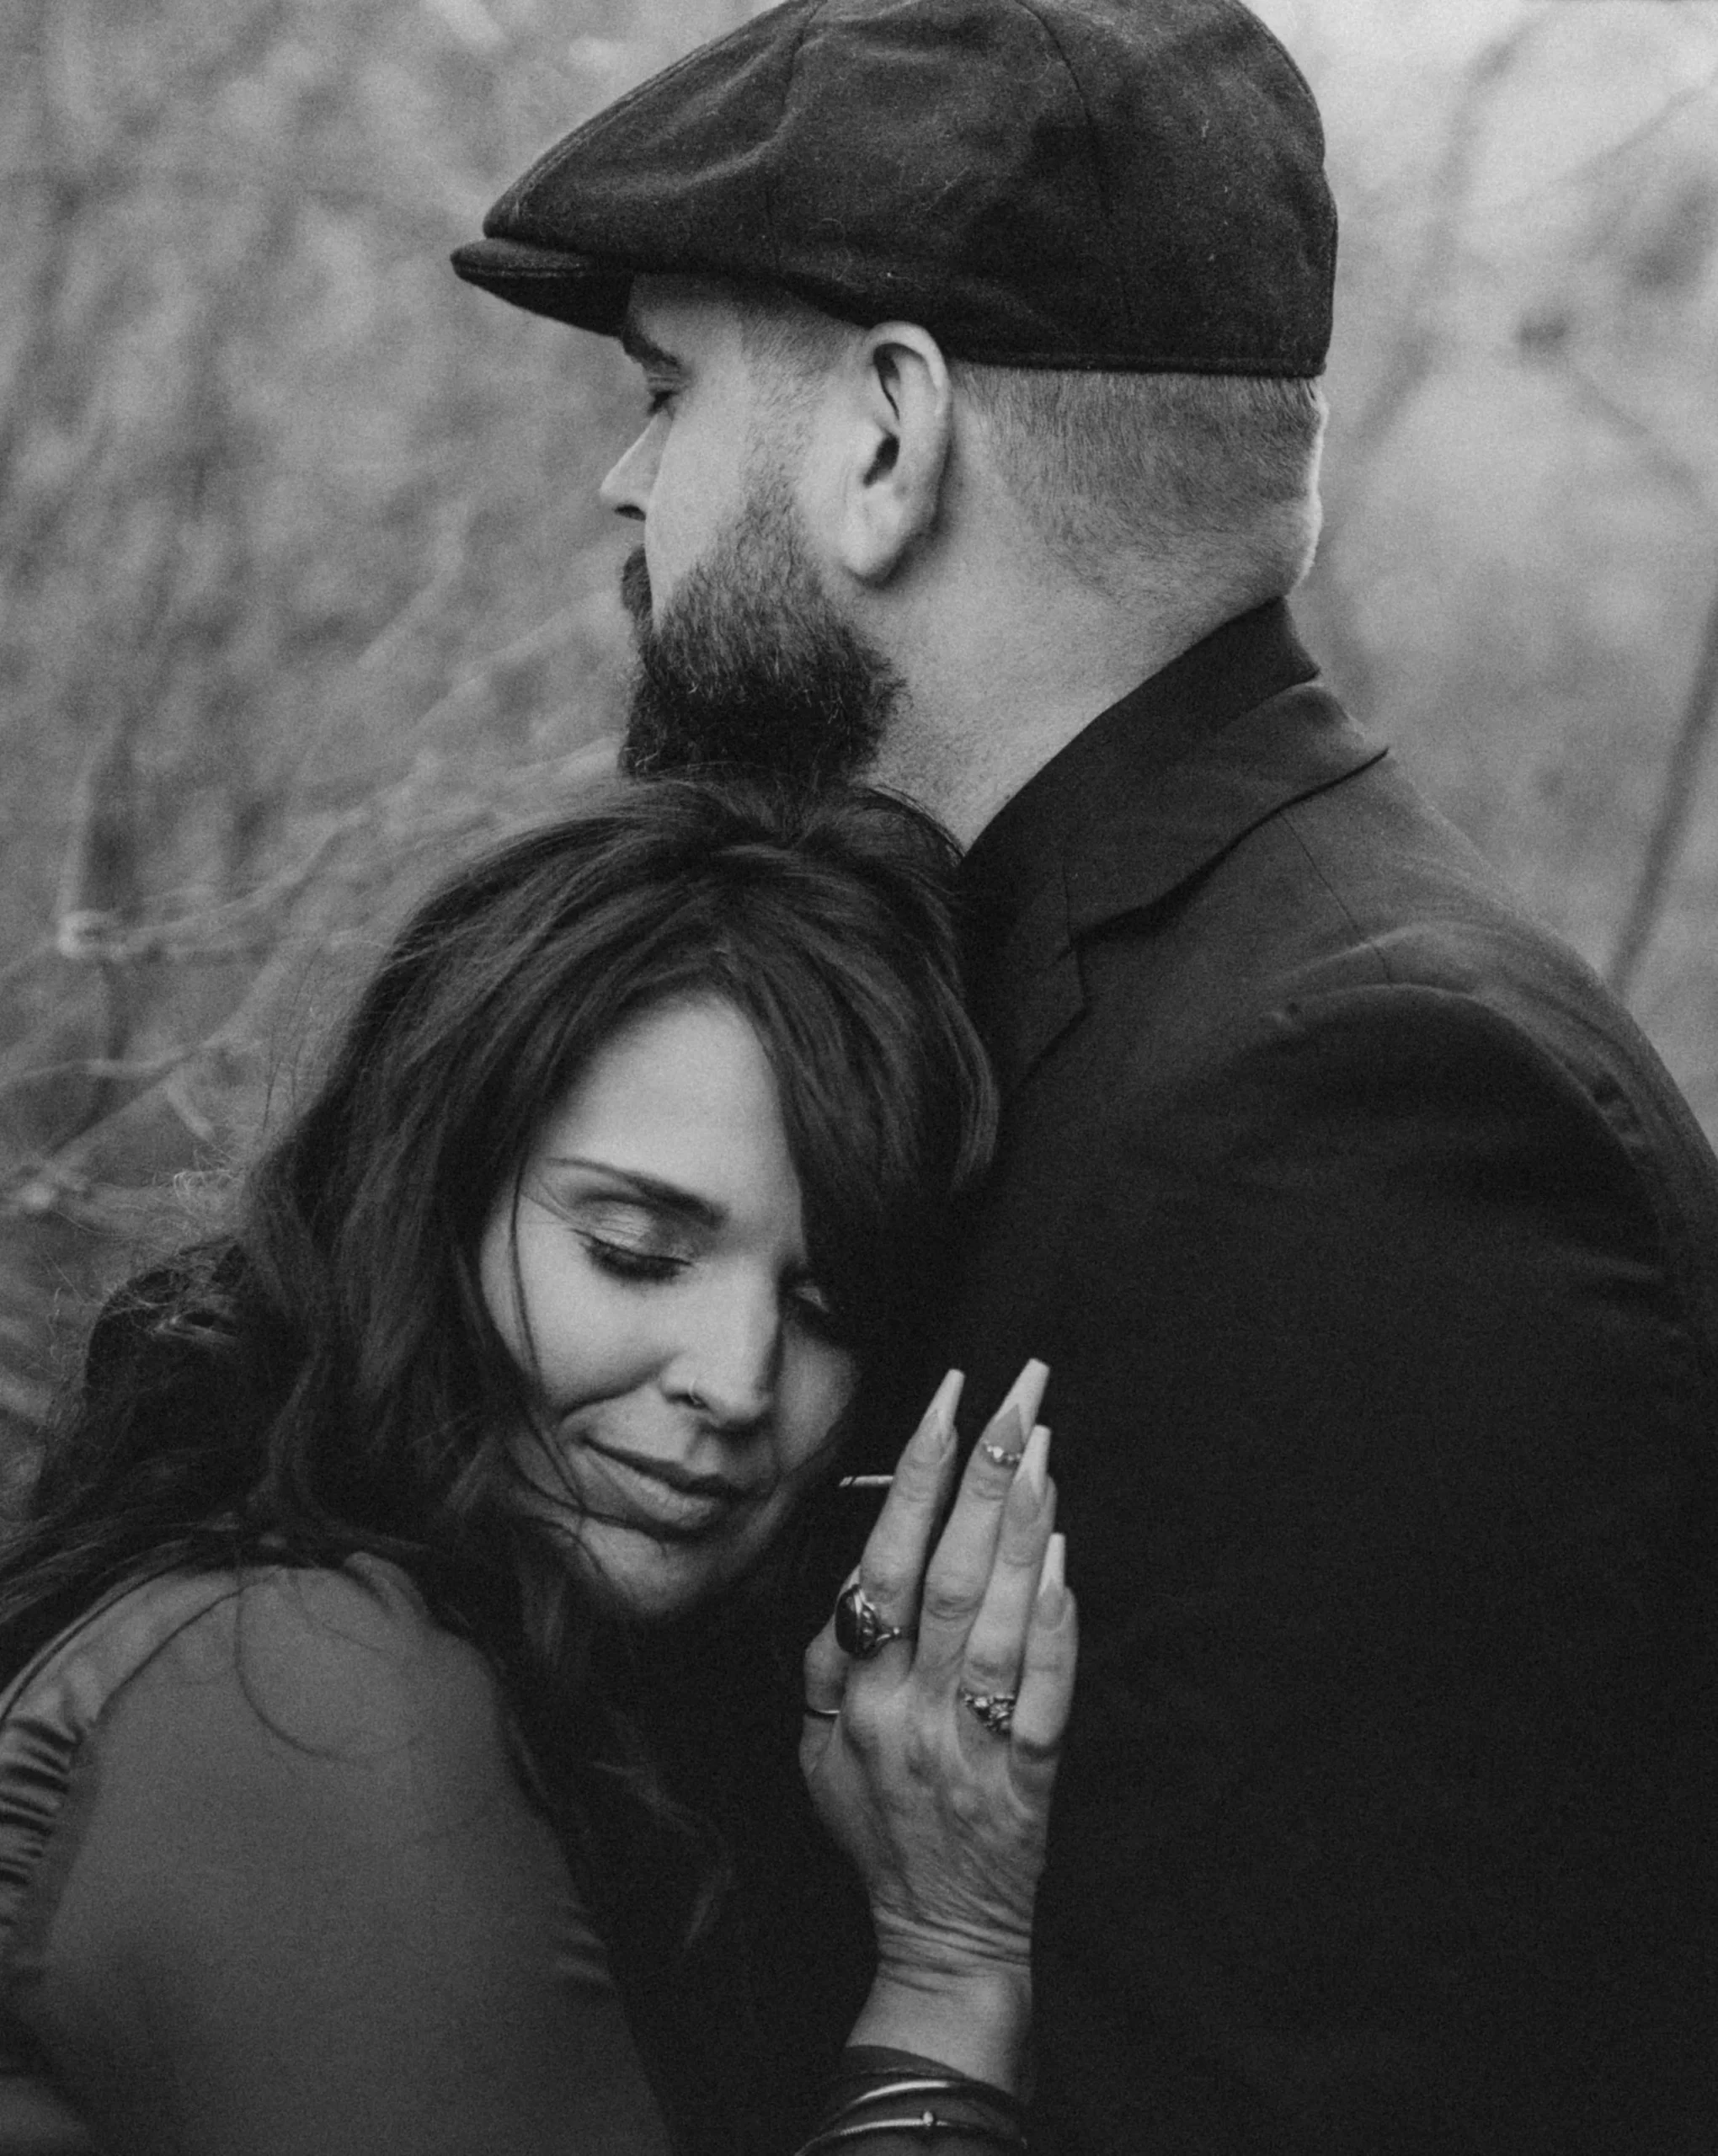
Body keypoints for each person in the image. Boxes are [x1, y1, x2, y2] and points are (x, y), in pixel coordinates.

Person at [451, 0, 1718, 2149]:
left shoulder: (1366, 1120)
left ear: (888, 437)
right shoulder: (1043, 993)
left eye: (671, 392)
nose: (626, 475)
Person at [0, 778, 1080, 2155]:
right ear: (427, 1207)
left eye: (827, 1312)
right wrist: (948, 1986)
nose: (737, 1381)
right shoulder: (302, 1695)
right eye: (634, 1251)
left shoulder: (562, 1673)